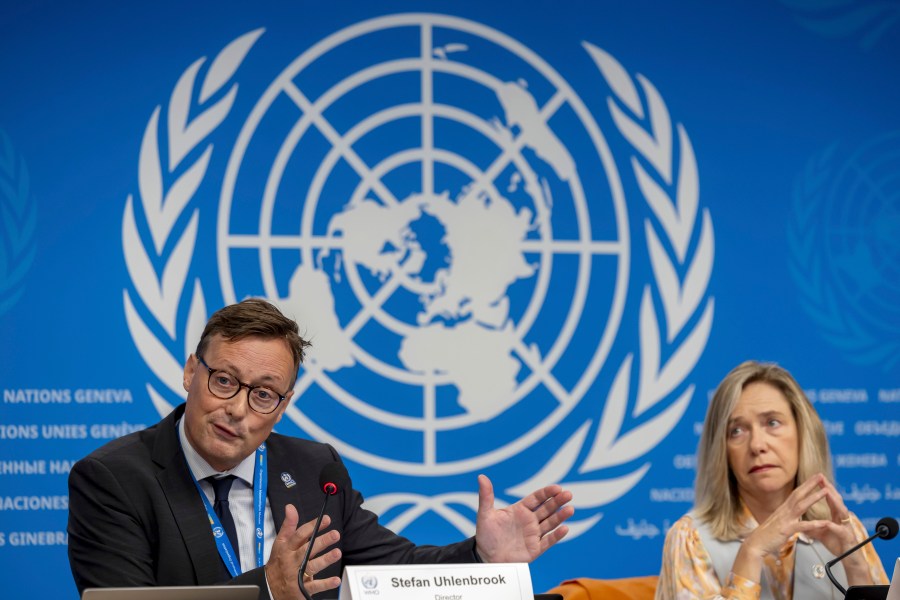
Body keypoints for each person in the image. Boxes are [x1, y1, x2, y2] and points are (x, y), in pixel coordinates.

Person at [68, 298, 574, 600]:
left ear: (283, 405)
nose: (238, 409)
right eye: (224, 381)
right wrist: (265, 591)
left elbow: (395, 573)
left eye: (263, 394)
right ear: (189, 372)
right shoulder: (114, 479)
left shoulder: (312, 469)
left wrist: (483, 558)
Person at [655, 361, 888, 599]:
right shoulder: (690, 539)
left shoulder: (844, 528)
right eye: (736, 430)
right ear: (722, 451)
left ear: (802, 433)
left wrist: (856, 568)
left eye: (772, 423)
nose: (757, 445)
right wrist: (751, 551)